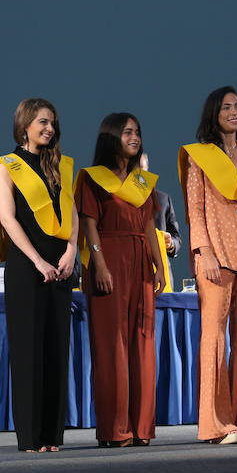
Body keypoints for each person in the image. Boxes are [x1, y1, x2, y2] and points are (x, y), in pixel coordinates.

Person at [178, 86, 237, 445]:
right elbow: (195, 207)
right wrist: (203, 252)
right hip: (216, 256)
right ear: (213, 114)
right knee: (215, 340)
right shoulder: (199, 156)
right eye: (226, 107)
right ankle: (217, 424)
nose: (234, 112)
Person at [0, 98, 78, 453]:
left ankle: (53, 436)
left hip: (62, 264)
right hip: (28, 266)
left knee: (57, 349)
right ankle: (30, 437)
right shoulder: (7, 166)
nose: (49, 129)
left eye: (52, 123)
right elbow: (8, 219)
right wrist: (38, 260)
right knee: (29, 352)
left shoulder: (61, 165)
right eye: (42, 122)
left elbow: (72, 211)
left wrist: (71, 250)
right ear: (25, 125)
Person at [75, 113, 166, 448]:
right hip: (109, 259)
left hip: (140, 261)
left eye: (138, 132)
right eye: (127, 132)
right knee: (111, 346)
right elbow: (89, 225)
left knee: (141, 345)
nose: (135, 137)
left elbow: (147, 227)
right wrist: (98, 264)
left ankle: (141, 427)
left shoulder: (142, 182)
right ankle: (116, 429)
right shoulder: (92, 179)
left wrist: (158, 265)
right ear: (112, 136)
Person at [140, 152, 181, 291]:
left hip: (160, 273)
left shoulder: (163, 199)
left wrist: (171, 244)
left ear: (147, 169)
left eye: (141, 167)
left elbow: (177, 239)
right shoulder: (115, 200)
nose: (137, 172)